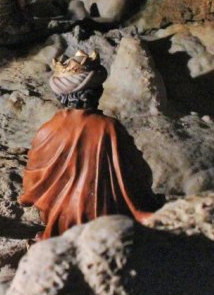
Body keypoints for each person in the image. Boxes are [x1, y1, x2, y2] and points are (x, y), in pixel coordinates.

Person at [20, 50, 157, 240]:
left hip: (62, 219)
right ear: (96, 93)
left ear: (62, 96)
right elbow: (137, 173)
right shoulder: (109, 127)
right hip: (107, 216)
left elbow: (32, 183)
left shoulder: (47, 129)